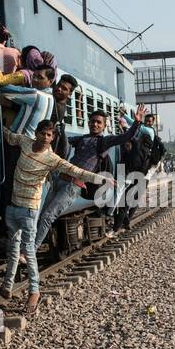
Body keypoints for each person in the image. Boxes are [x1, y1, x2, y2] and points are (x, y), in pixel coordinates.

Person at [0, 120, 112, 315]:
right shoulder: (25, 143)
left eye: (50, 135)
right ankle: (8, 286)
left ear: (52, 138)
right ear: (36, 133)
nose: (45, 137)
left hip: (29, 209)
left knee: (29, 251)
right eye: (43, 133)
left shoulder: (52, 158)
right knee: (13, 247)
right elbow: (10, 136)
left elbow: (76, 171)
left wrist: (102, 179)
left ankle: (34, 292)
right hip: (13, 206)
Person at [34, 104, 145, 251]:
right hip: (60, 180)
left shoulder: (104, 142)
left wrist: (137, 122)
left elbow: (126, 136)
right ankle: (29, 246)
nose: (95, 124)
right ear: (88, 123)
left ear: (104, 126)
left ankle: (31, 249)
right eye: (93, 121)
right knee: (41, 215)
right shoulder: (83, 138)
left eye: (99, 122)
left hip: (73, 185)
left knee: (48, 216)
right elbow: (61, 141)